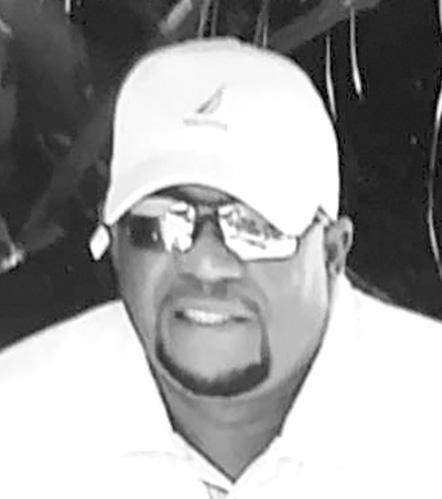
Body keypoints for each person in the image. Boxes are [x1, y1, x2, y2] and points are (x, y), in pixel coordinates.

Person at [0, 38, 441, 498]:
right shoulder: (17, 428)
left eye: (253, 227)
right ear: (114, 248)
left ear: (332, 252)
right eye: (162, 222)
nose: (206, 265)